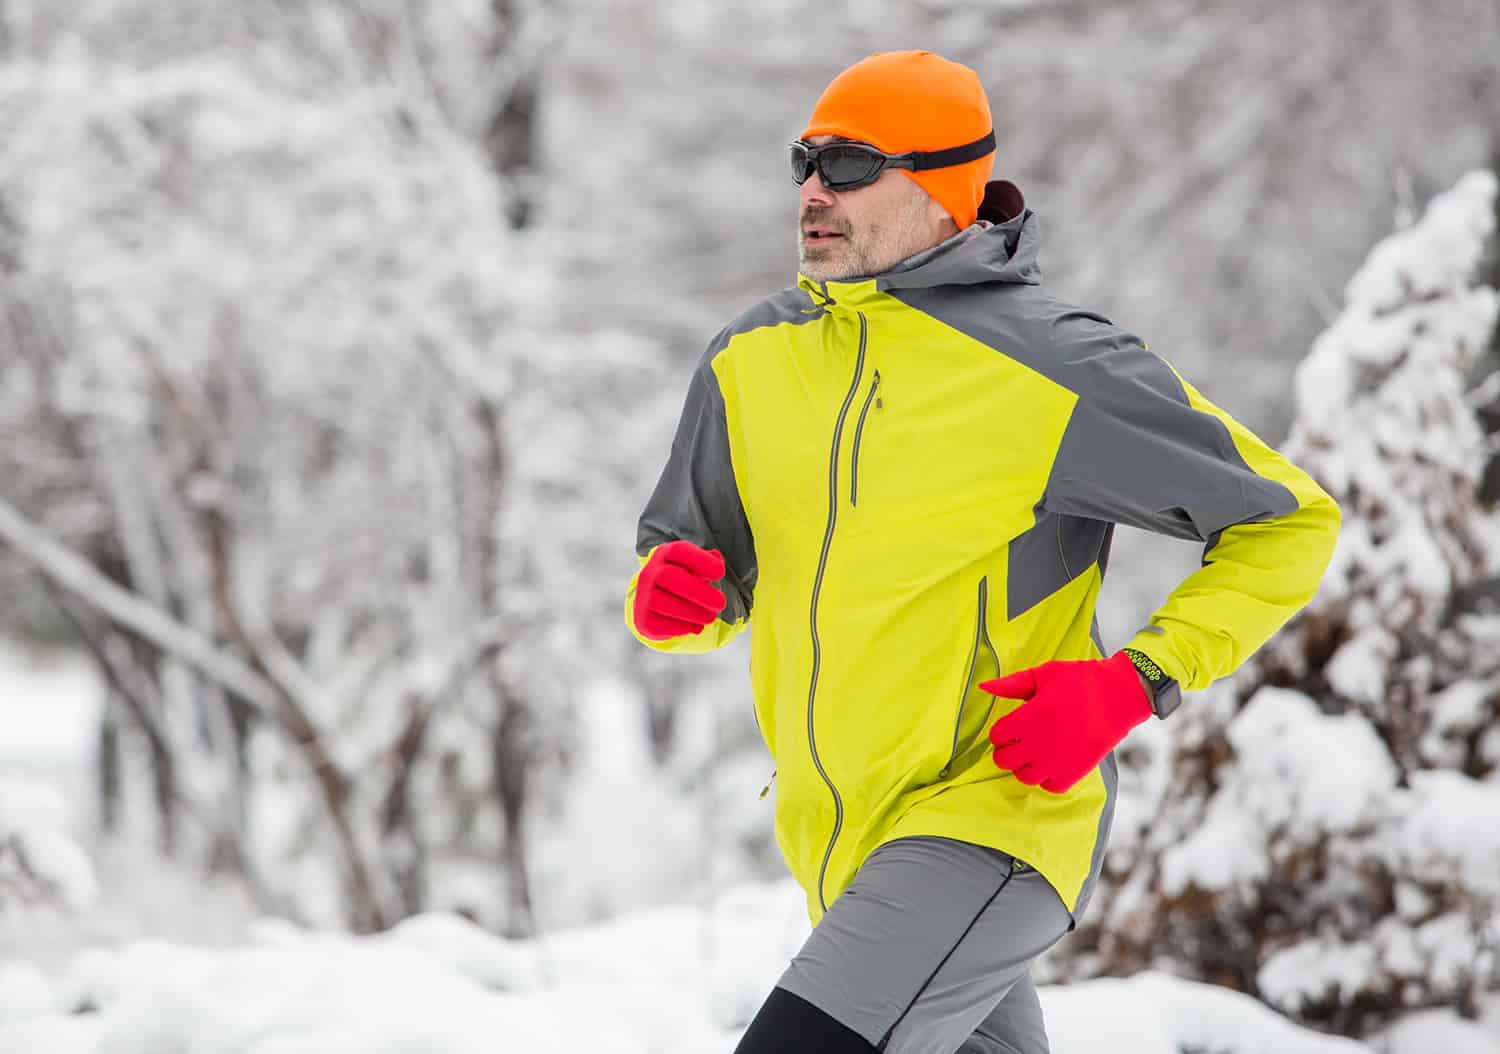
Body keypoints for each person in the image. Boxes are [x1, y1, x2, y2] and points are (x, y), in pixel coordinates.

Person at [624, 50, 1341, 1054]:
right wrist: (670, 598)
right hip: (845, 848)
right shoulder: (753, 357)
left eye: (851, 162)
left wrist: (1130, 685)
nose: (815, 191)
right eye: (805, 162)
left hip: (993, 821)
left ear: (944, 188)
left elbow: (1288, 519)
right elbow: (699, 560)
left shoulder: (1051, 364)